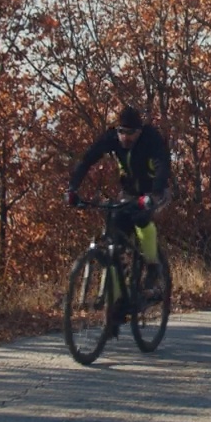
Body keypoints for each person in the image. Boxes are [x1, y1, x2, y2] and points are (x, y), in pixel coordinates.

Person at [67, 105, 171, 296]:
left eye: (130, 133)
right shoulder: (112, 137)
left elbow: (162, 165)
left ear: (139, 131)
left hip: (155, 192)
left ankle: (153, 268)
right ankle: (115, 303)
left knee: (141, 218)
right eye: (122, 132)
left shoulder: (151, 138)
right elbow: (88, 159)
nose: (125, 137)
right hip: (129, 193)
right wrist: (72, 188)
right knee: (115, 238)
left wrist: (154, 194)